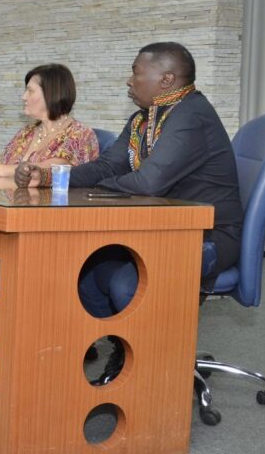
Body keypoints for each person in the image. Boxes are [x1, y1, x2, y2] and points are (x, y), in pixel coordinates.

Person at [15, 42, 243, 384]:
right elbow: (107, 165)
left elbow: (148, 182)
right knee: (85, 277)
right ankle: (129, 350)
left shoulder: (192, 116)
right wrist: (47, 177)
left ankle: (149, 372)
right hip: (161, 229)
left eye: (137, 72)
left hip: (207, 236)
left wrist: (101, 187)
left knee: (128, 285)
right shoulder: (144, 120)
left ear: (166, 79)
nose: (129, 80)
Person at [0, 63, 98, 179]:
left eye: (30, 91)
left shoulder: (81, 134)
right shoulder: (25, 133)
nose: (24, 97)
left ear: (51, 94)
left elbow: (53, 170)